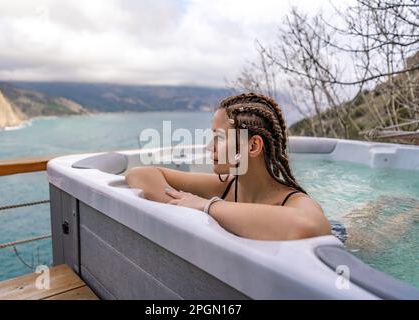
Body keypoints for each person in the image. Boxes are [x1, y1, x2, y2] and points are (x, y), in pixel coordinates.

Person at [126, 92, 332, 241]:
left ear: (253, 145)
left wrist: (208, 206)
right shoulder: (225, 186)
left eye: (219, 137)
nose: (209, 147)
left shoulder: (293, 202)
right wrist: (185, 212)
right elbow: (140, 174)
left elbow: (311, 226)